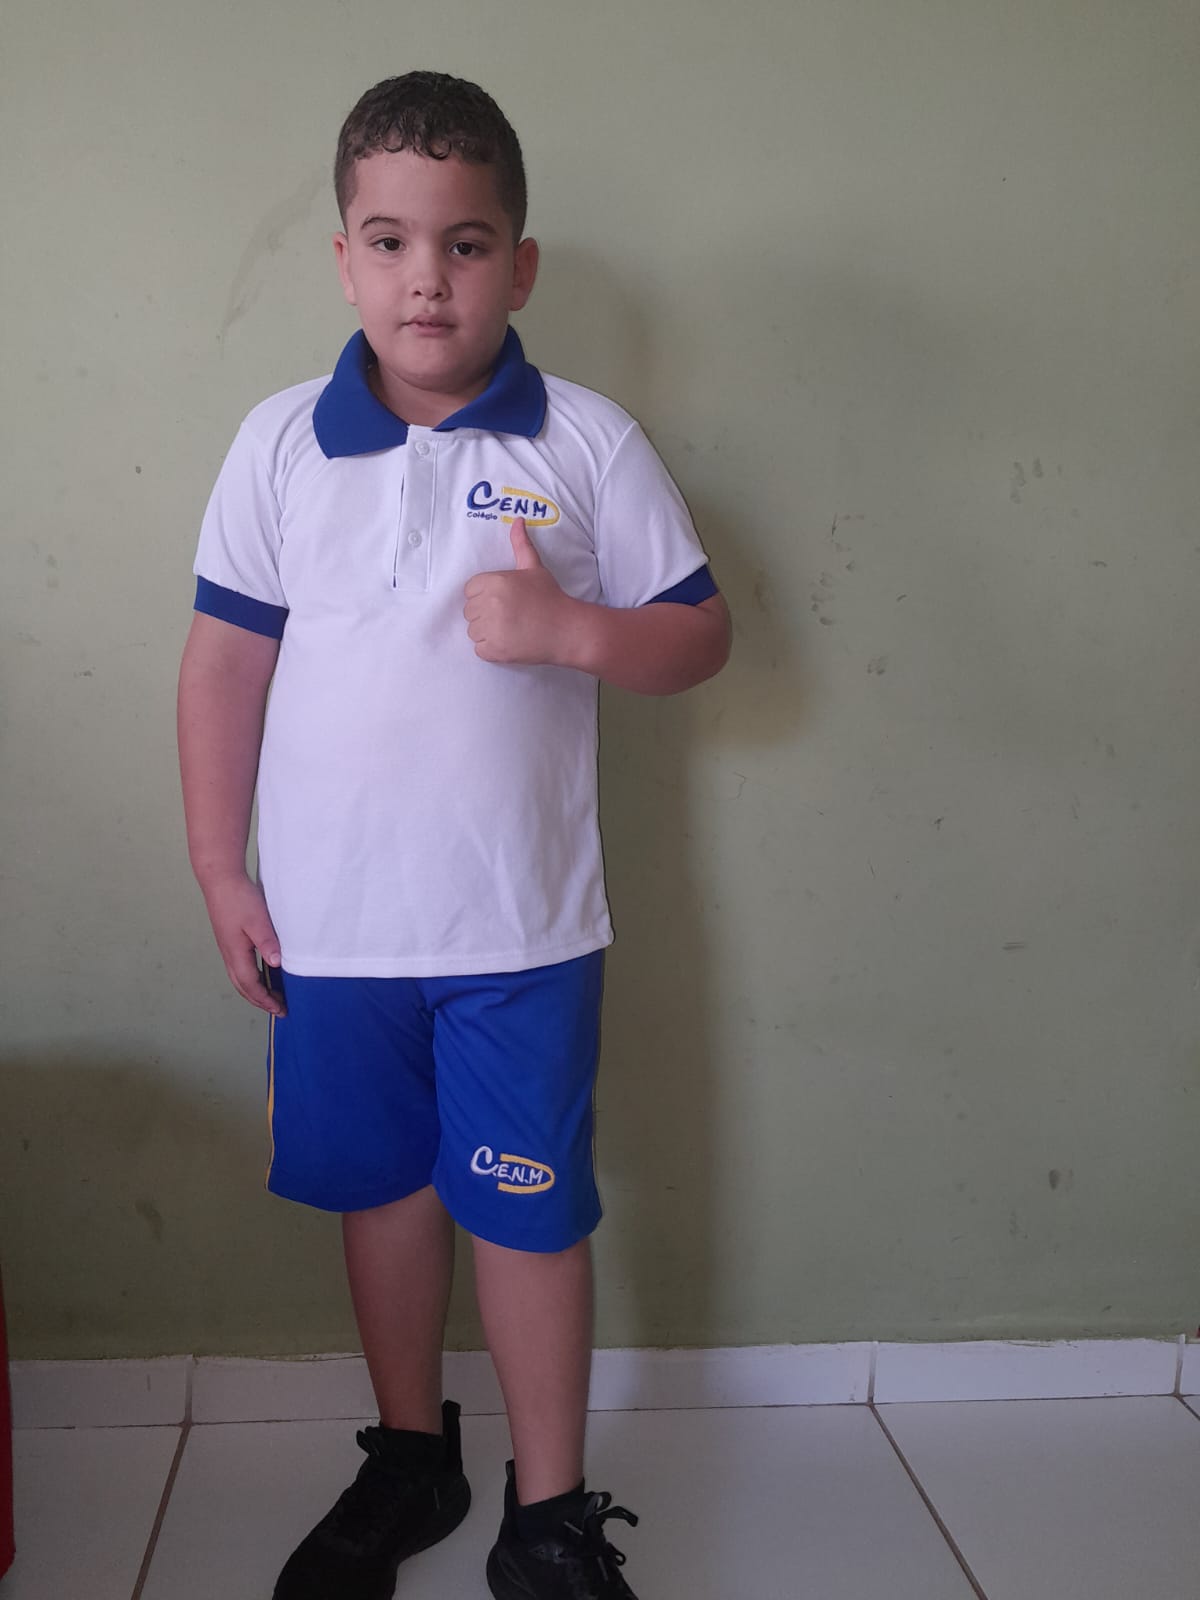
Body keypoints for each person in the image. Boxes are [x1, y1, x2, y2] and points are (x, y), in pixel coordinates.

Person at [178, 70, 730, 1600]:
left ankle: (546, 1516)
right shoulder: (281, 444)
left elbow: (698, 635)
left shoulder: (586, 441)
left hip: (521, 929)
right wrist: (221, 868)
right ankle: (410, 1457)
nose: (428, 278)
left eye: (467, 243)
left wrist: (571, 629)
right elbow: (223, 667)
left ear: (519, 266)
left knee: (531, 1215)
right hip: (336, 930)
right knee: (385, 1196)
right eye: (392, 241)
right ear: (345, 259)